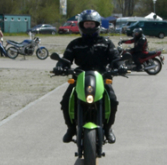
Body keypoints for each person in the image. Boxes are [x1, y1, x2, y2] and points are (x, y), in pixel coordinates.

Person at [53, 10, 126, 144]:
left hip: (102, 76)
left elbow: (115, 58)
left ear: (97, 25)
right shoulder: (75, 43)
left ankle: (108, 129)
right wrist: (60, 66)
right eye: (86, 24)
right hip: (79, 76)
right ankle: (70, 129)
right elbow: (66, 59)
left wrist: (121, 66)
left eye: (92, 24)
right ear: (81, 25)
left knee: (113, 101)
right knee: (65, 101)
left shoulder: (106, 42)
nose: (89, 26)